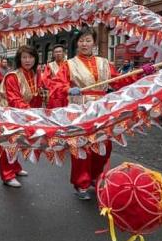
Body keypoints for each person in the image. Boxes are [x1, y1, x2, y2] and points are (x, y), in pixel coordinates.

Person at [61, 27, 154, 199]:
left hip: (102, 107)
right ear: (77, 43)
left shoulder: (104, 62)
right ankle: (81, 183)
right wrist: (69, 89)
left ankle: (95, 176)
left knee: (104, 144)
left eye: (88, 40)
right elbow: (56, 84)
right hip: (80, 108)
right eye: (81, 40)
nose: (84, 44)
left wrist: (141, 74)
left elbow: (120, 80)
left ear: (93, 42)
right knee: (82, 146)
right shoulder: (69, 64)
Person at [0, 45, 42, 187]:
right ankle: (7, 175)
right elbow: (14, 99)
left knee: (17, 140)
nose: (27, 60)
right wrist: (31, 113)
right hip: (7, 111)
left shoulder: (34, 74)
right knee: (8, 141)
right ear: (19, 59)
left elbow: (35, 96)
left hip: (21, 111)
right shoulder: (12, 76)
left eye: (31, 57)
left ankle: (15, 167)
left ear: (35, 58)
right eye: (24, 57)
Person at [38, 44, 69, 110]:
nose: (58, 54)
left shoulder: (68, 64)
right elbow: (45, 79)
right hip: (55, 94)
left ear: (64, 53)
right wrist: (56, 86)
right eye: (56, 52)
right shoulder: (50, 66)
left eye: (60, 52)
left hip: (67, 93)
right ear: (53, 54)